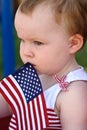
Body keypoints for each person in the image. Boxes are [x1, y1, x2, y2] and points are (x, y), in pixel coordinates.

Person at [0, 0, 87, 129]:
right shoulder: (31, 76)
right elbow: (7, 103)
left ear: (73, 44)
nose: (26, 52)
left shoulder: (73, 93)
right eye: (23, 40)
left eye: (38, 42)